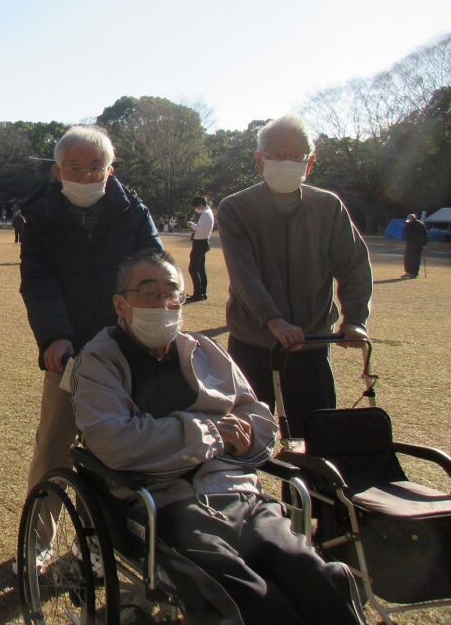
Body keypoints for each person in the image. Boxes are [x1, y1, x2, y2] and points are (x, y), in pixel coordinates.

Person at [69, 249, 366, 625]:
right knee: (251, 601)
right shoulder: (99, 361)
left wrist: (241, 437)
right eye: (149, 293)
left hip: (242, 496)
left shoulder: (204, 351)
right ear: (120, 304)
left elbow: (259, 420)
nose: (163, 303)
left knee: (318, 579)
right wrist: (211, 433)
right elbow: (116, 441)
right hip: (167, 507)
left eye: (171, 292)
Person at [20, 124, 161, 540]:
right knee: (54, 447)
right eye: (74, 167)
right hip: (70, 354)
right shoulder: (41, 218)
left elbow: (154, 271)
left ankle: (102, 539)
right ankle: (38, 540)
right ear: (58, 171)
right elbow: (39, 282)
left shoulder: (134, 214)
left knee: (119, 450)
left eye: (95, 166)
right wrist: (55, 336)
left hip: (127, 351)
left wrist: (145, 326)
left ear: (110, 169)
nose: (85, 176)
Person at [217, 115, 372, 438]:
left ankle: (310, 490)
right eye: (275, 154)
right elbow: (244, 274)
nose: (286, 162)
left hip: (311, 346)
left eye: (296, 155)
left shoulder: (328, 207)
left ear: (310, 162)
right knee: (242, 438)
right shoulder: (236, 208)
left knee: (316, 438)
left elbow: (353, 265)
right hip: (252, 344)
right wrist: (273, 321)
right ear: (259, 161)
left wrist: (355, 319)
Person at [186, 195, 214, 302]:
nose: (196, 209)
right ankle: (202, 292)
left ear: (201, 205)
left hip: (200, 243)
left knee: (193, 269)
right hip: (202, 243)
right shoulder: (207, 212)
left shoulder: (206, 214)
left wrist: (192, 224)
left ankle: (198, 294)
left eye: (196, 206)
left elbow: (200, 229)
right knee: (200, 269)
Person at [402, 213, 428, 279]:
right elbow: (406, 232)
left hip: (418, 244)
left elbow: (425, 235)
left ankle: (414, 273)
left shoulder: (420, 225)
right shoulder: (408, 224)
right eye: (407, 218)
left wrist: (424, 244)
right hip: (410, 244)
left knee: (415, 259)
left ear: (413, 218)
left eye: (409, 218)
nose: (408, 219)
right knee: (407, 258)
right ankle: (408, 272)